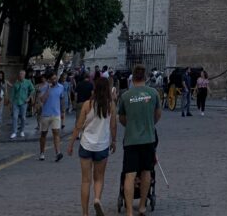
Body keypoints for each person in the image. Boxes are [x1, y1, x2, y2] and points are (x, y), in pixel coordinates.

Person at [68, 72, 117, 216]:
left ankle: (85, 213)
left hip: (86, 145)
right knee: (99, 177)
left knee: (85, 180)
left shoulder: (87, 104)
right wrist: (114, 141)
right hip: (102, 145)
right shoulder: (110, 105)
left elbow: (78, 126)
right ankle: (97, 199)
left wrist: (71, 143)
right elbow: (113, 126)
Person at [118, 64, 161, 216]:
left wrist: (130, 126)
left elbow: (122, 118)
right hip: (148, 138)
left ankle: (129, 211)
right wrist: (149, 124)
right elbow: (157, 115)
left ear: (132, 78)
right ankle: (142, 206)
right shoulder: (153, 93)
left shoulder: (125, 95)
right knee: (146, 172)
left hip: (131, 139)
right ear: (145, 77)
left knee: (129, 174)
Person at [39, 70, 68, 160]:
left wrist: (63, 111)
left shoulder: (61, 87)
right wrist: (48, 89)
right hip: (46, 114)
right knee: (44, 134)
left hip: (56, 114)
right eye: (52, 79)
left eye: (55, 78)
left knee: (56, 133)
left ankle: (58, 152)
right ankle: (42, 152)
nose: (54, 80)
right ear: (49, 80)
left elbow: (61, 99)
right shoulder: (44, 88)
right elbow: (42, 100)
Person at [10, 68, 35, 139]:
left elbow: (33, 90)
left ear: (24, 75)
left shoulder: (28, 82)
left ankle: (22, 131)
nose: (21, 75)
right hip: (16, 102)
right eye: (20, 74)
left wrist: (29, 98)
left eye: (22, 74)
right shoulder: (16, 83)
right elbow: (13, 93)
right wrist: (11, 103)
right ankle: (14, 132)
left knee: (23, 117)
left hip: (24, 102)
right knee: (15, 117)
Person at [73, 72, 94, 136]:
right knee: (87, 118)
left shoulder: (79, 84)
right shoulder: (91, 85)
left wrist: (75, 103)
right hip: (88, 103)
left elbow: (76, 94)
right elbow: (92, 94)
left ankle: (77, 133)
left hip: (80, 103)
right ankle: (85, 132)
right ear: (89, 78)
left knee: (78, 119)